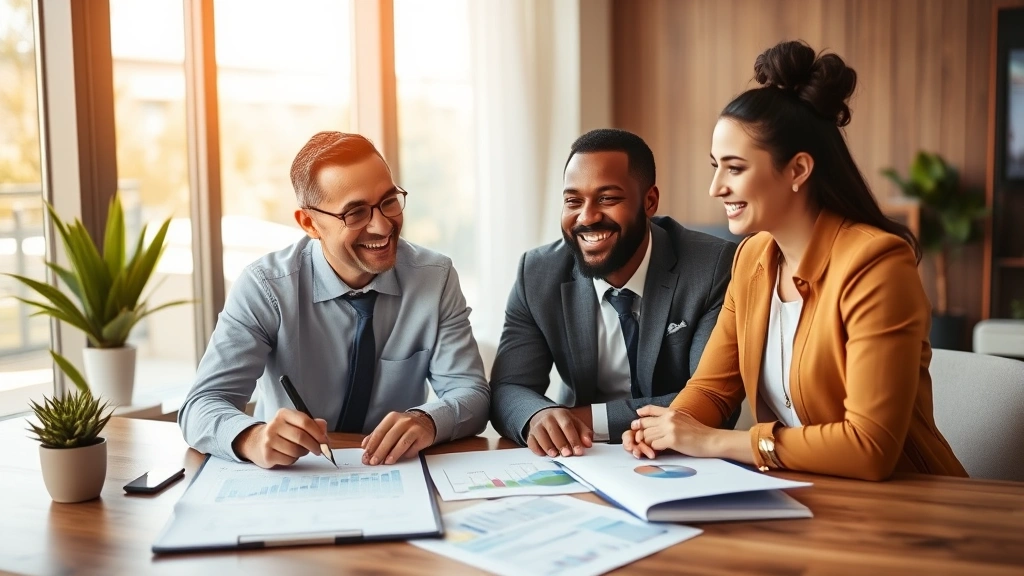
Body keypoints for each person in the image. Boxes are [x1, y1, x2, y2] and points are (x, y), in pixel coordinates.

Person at [624, 41, 967, 481]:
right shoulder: (752, 260)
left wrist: (712, 441)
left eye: (734, 168)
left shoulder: (878, 265)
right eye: (716, 166)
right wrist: (665, 428)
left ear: (798, 170)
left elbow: (870, 447)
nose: (716, 187)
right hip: (810, 493)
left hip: (909, 503)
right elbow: (712, 386)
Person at [179, 132, 489, 469]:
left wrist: (427, 421)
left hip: (395, 474)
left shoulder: (435, 278)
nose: (383, 225)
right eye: (355, 213)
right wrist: (251, 437)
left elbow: (471, 393)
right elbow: (201, 405)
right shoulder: (265, 287)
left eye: (388, 201)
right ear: (309, 223)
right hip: (296, 477)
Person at [490, 128, 737, 458]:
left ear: (649, 201)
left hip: (678, 458)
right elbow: (509, 388)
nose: (587, 217)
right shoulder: (537, 274)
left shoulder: (712, 266)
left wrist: (581, 419)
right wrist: (539, 416)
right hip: (581, 459)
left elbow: (713, 398)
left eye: (607, 199)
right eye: (573, 201)